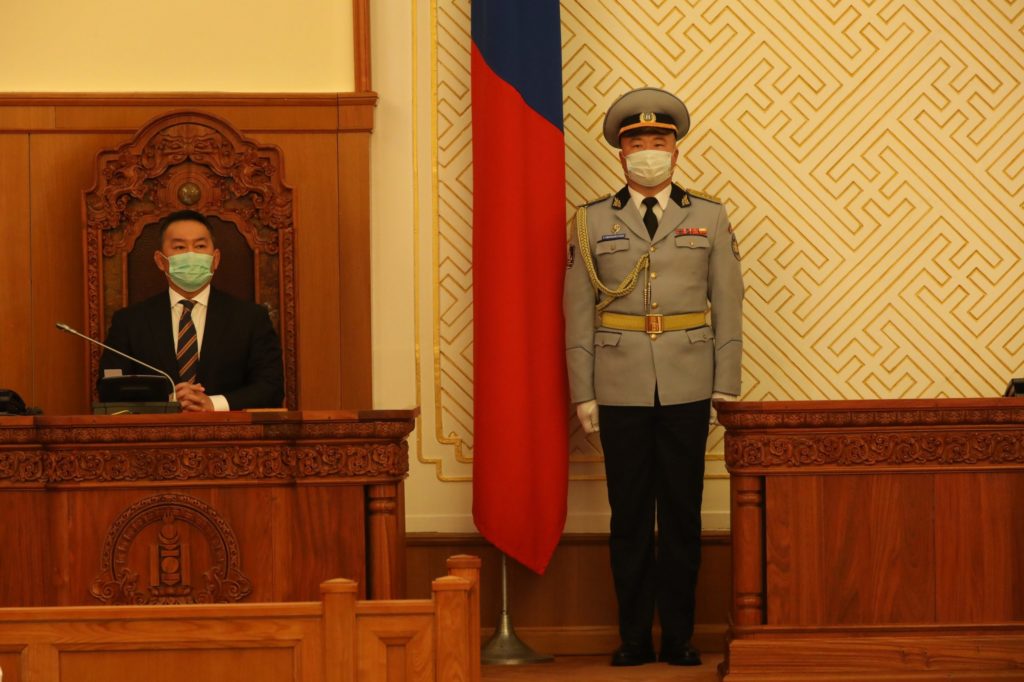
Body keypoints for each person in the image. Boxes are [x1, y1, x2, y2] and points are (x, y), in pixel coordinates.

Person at [563, 87, 743, 667]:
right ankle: (635, 638)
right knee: (630, 517)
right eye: (636, 142)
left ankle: (681, 637)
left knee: (684, 515)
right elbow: (577, 312)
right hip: (619, 384)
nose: (647, 151)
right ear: (621, 153)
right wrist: (584, 392)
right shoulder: (591, 220)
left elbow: (729, 302)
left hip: (690, 382)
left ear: (675, 151)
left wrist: (726, 384)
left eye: (658, 141)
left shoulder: (709, 216)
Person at [99, 210, 284, 411]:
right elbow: (110, 391)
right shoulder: (130, 322)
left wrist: (213, 403)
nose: (191, 254)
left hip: (228, 428)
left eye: (200, 246)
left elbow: (271, 388)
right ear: (160, 261)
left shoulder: (250, 318)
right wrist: (168, 401)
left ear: (215, 259)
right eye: (180, 247)